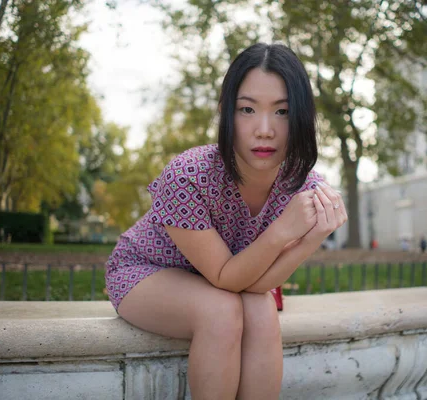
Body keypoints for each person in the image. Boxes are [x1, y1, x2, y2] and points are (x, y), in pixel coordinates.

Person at [104, 43, 347, 400]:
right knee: (220, 310)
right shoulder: (189, 174)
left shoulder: (302, 186)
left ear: (301, 119)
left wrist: (312, 238)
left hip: (230, 283)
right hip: (147, 271)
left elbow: (258, 285)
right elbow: (223, 278)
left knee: (261, 308)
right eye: (247, 109)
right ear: (225, 113)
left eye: (282, 112)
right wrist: (284, 231)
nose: (264, 130)